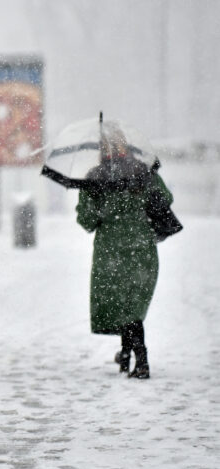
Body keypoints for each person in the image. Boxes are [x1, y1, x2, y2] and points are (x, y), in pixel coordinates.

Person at [76, 126, 173, 379]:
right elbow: (165, 198)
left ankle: (140, 361)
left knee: (118, 303)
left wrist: (103, 211)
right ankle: (128, 355)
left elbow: (86, 220)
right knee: (133, 303)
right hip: (141, 245)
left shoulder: (94, 178)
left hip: (111, 249)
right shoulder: (144, 172)